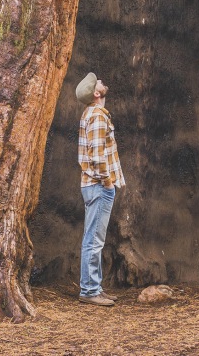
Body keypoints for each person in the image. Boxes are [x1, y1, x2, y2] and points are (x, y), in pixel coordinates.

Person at [75, 72, 125, 306]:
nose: (102, 82)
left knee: (94, 238)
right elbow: (97, 155)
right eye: (99, 83)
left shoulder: (92, 114)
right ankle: (89, 290)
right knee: (94, 240)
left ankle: (94, 287)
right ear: (96, 94)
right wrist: (107, 180)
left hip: (95, 186)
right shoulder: (97, 116)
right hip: (98, 186)